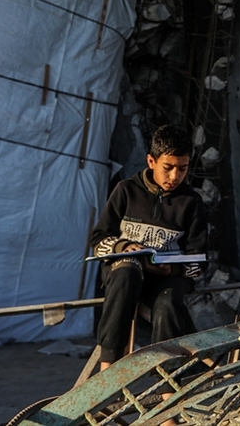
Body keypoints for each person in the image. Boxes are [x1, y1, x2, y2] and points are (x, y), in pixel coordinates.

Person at [90, 125, 206, 371]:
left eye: (182, 169)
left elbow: (199, 261)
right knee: (127, 271)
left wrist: (173, 270)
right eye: (168, 168)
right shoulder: (126, 191)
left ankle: (167, 381)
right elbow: (98, 242)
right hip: (126, 274)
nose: (175, 177)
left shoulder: (192, 202)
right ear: (151, 161)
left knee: (168, 302)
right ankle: (108, 366)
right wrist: (125, 246)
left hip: (167, 279)